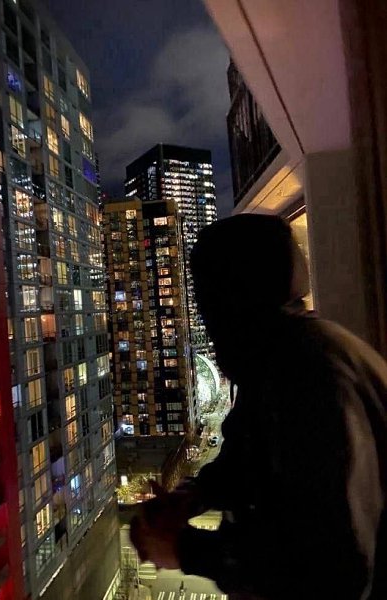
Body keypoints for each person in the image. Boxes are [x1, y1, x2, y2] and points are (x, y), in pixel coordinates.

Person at [130, 214, 387, 600]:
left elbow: (333, 570)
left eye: (209, 302)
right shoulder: (283, 356)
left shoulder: (305, 373)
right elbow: (250, 459)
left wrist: (186, 551)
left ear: (235, 299)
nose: (207, 321)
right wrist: (193, 497)